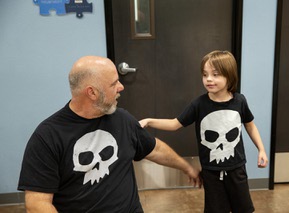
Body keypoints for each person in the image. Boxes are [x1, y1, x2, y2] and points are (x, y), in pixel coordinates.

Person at [18, 56, 201, 213]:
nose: (121, 87)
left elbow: (155, 149)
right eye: (114, 83)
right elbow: (37, 203)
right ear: (92, 92)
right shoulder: (48, 137)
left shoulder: (121, 119)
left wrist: (187, 167)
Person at [139, 50, 269, 213]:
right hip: (211, 173)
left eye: (215, 74)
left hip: (237, 169)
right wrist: (149, 121)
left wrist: (261, 150)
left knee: (243, 209)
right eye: (205, 74)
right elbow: (175, 124)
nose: (208, 79)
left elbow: (250, 125)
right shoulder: (199, 104)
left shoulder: (240, 101)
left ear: (229, 76)